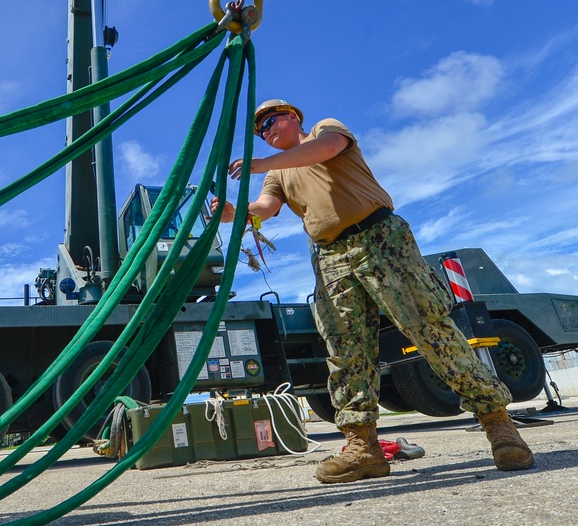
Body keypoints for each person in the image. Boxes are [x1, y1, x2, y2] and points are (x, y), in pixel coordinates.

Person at [212, 99, 534, 484]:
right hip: (330, 256)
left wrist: (262, 163)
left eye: (270, 120)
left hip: (380, 239)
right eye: (259, 130)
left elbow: (328, 150)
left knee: (430, 331)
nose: (265, 131)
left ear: (293, 117)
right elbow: (267, 206)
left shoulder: (324, 130)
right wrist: (239, 213)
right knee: (345, 351)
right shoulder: (277, 175)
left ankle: (498, 424)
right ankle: (362, 447)